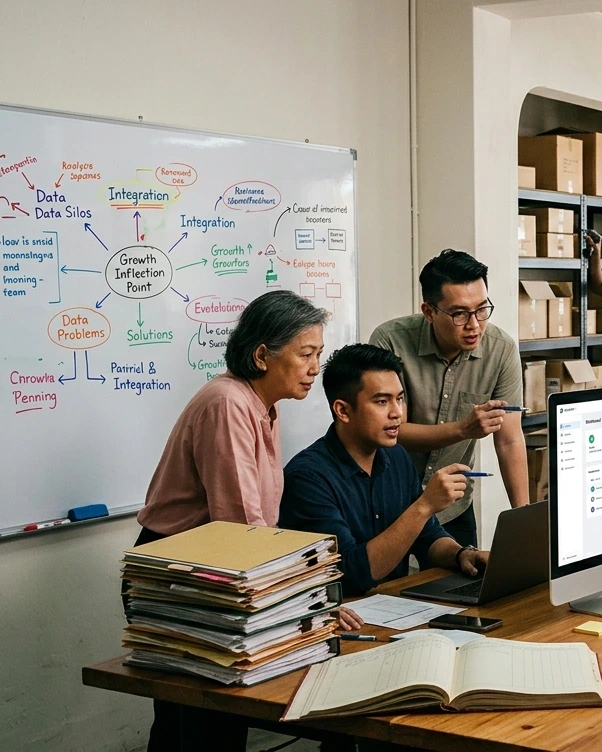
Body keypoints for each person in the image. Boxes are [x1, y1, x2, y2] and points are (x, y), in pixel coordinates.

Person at [133, 290, 356, 752]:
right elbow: (242, 529)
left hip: (211, 569)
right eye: (306, 354)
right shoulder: (228, 404)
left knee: (208, 720)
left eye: (318, 353)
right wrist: (313, 600)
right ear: (262, 356)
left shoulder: (262, 406)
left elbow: (255, 527)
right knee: (198, 723)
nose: (316, 367)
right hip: (177, 573)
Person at [279, 344, 489, 597]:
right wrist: (425, 505)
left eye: (399, 399)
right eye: (381, 401)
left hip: (393, 605)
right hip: (341, 617)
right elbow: (351, 574)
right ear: (343, 410)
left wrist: (462, 554)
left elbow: (427, 536)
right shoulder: (308, 477)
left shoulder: (396, 455)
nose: (397, 413)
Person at [370, 250, 528, 549]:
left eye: (482, 309)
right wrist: (463, 429)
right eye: (459, 313)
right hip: (391, 505)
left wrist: (523, 520)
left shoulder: (501, 349)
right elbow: (390, 432)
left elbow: (509, 439)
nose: (474, 325)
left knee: (464, 586)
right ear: (429, 312)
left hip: (452, 508)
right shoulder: (389, 341)